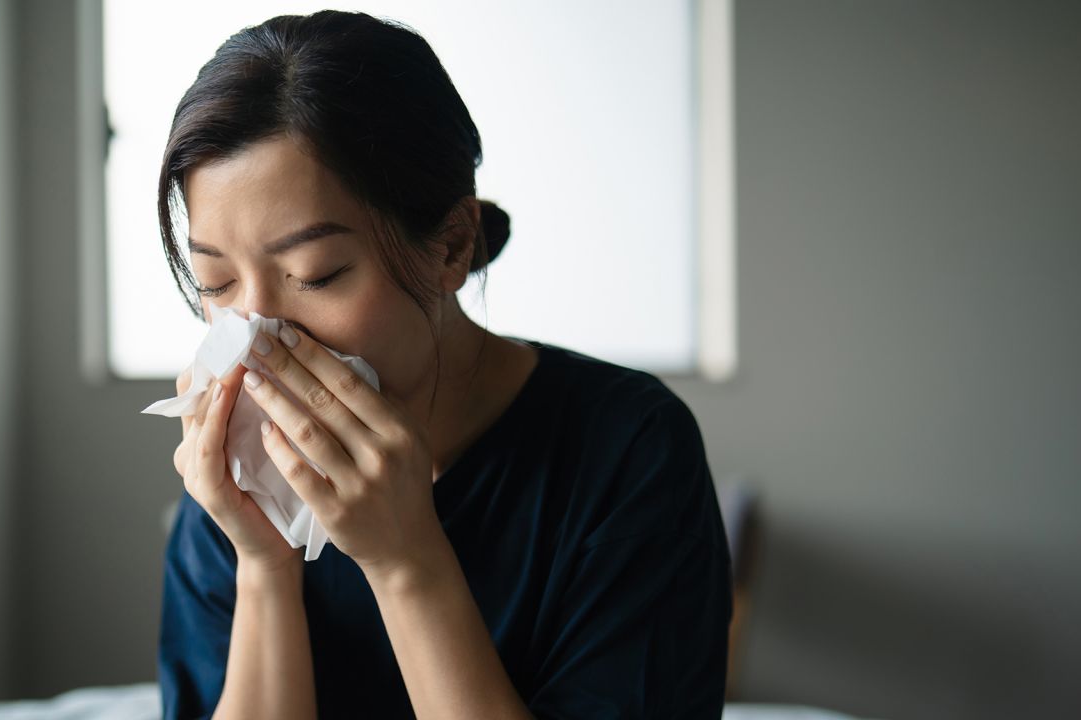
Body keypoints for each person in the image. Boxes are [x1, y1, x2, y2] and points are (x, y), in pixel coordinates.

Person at [156, 10, 732, 719]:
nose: (256, 339)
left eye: (316, 273)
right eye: (216, 285)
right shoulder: (229, 483)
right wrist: (264, 566)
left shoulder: (628, 450)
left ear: (453, 246)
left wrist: (406, 562)